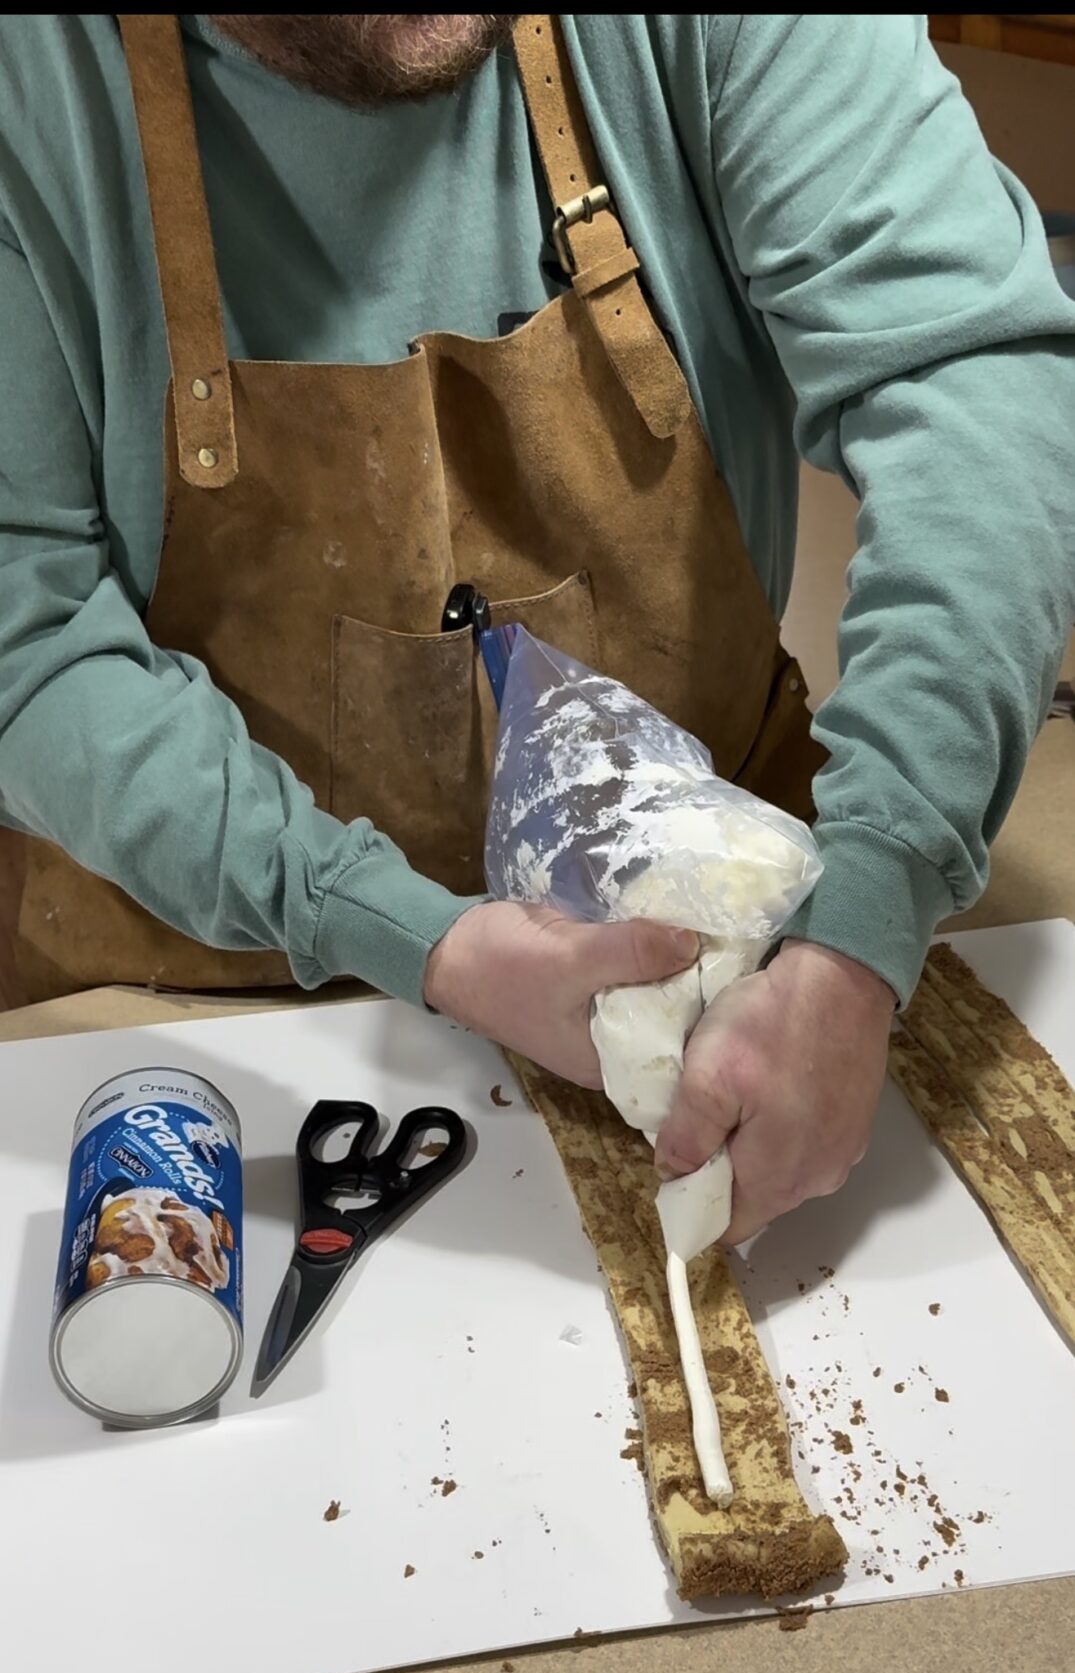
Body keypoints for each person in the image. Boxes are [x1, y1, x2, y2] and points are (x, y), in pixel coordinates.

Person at [0, 15, 1072, 1243]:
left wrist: (864, 924)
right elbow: (24, 633)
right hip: (195, 995)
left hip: (721, 958)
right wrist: (419, 937)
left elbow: (972, 375)